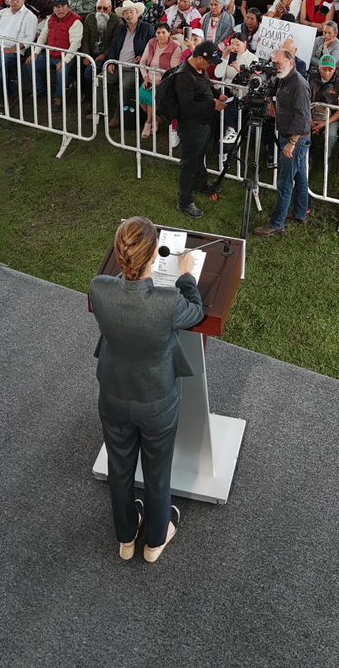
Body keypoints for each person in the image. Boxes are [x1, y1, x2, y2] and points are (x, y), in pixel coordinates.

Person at [89, 217, 205, 563]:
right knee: (157, 471)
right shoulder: (167, 303)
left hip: (112, 395)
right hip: (157, 402)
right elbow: (196, 312)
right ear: (154, 256)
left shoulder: (98, 287)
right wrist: (186, 275)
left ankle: (126, 538)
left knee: (119, 468)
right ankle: (155, 541)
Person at [155, 41, 222, 219]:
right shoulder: (184, 76)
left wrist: (216, 94)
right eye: (209, 63)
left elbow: (205, 85)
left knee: (200, 157)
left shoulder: (199, 69)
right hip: (191, 126)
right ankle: (185, 201)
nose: (211, 66)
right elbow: (188, 107)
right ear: (200, 58)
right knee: (189, 163)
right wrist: (212, 103)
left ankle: (201, 184)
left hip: (202, 124)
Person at [254, 41, 312, 236]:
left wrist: (292, 143)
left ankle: (277, 223)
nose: (275, 66)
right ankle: (300, 212)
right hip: (289, 135)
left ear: (291, 62)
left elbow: (303, 118)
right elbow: (271, 85)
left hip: (296, 138)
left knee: (285, 182)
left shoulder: (299, 85)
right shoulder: (282, 77)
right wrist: (271, 102)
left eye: (278, 63)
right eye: (274, 62)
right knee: (300, 177)